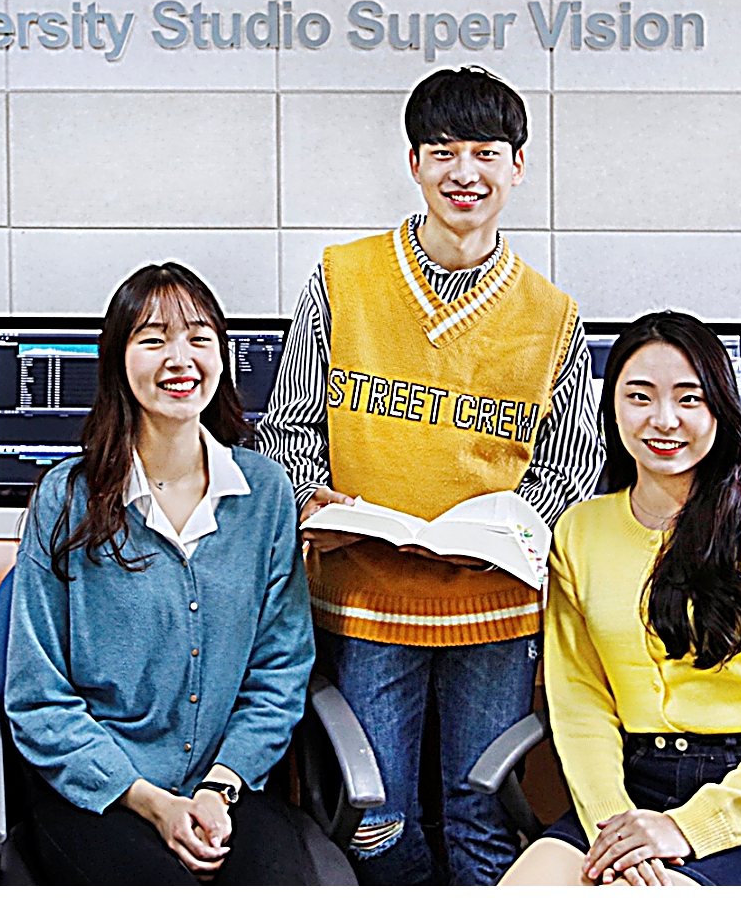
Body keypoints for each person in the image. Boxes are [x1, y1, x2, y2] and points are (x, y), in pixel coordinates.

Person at [255, 66, 604, 885]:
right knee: (376, 821)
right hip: (369, 597)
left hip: (493, 608)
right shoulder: (343, 279)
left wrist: (505, 530)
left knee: (481, 817)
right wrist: (312, 494)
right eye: (443, 151)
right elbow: (288, 430)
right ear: (413, 163)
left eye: (486, 151)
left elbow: (570, 466)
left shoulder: (552, 315)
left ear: (518, 165)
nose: (464, 172)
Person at [500, 311, 741, 887]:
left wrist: (686, 828)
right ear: (611, 406)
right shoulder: (578, 533)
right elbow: (581, 705)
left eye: (690, 399)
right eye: (639, 396)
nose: (663, 420)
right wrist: (615, 824)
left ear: (720, 409)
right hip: (632, 793)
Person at [5, 263, 317, 885]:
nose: (180, 358)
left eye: (199, 338)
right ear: (117, 361)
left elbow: (279, 671)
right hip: (99, 791)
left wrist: (218, 789)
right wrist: (154, 803)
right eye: (153, 340)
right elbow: (37, 695)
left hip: (224, 788)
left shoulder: (265, 493)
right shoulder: (66, 498)